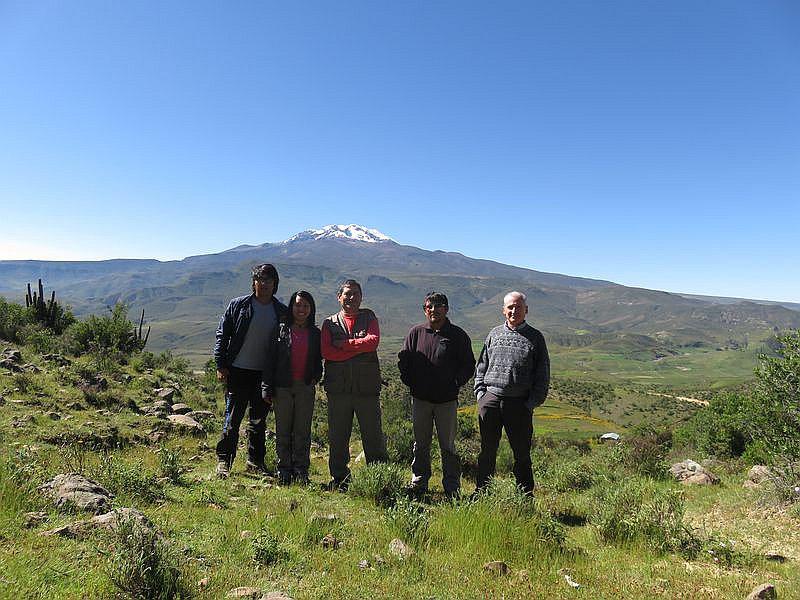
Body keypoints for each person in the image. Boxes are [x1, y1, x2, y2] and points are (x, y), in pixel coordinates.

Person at [213, 264, 288, 478]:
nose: (263, 284)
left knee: (258, 421)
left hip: (264, 375)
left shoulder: (281, 311)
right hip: (237, 371)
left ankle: (255, 462)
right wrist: (220, 364)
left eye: (268, 280)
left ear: (275, 284)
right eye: (260, 279)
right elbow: (222, 334)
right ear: (253, 282)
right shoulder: (238, 305)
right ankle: (224, 461)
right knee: (232, 419)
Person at [398, 292, 475, 498]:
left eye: (438, 305)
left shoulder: (457, 335)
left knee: (448, 446)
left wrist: (456, 383)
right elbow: (404, 360)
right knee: (421, 443)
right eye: (429, 306)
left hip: (446, 401)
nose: (434, 310)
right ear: (425, 310)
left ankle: (452, 487)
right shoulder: (416, 333)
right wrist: (411, 382)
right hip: (420, 400)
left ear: (446, 309)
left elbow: (468, 365)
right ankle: (419, 481)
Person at [473, 291, 549, 494]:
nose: (514, 311)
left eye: (518, 307)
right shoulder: (494, 334)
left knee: (521, 454)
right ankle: (482, 492)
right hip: (491, 400)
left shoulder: (535, 338)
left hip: (519, 404)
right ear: (503, 310)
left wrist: (531, 403)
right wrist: (481, 395)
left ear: (526, 310)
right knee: (487, 451)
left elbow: (542, 374)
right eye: (510, 307)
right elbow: (481, 366)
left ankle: (524, 496)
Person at [321, 279, 388, 490]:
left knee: (373, 436)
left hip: (366, 389)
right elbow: (327, 352)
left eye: (355, 294)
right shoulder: (329, 323)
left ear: (361, 297)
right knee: (338, 436)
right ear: (339, 297)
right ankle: (340, 479)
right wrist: (358, 348)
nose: (351, 298)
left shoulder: (369, 317)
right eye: (347, 294)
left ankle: (379, 481)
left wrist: (344, 345)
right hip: (338, 390)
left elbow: (373, 342)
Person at [271, 290, 322, 486]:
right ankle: (283, 470)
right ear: (291, 307)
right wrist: (267, 386)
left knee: (302, 431)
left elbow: (318, 359)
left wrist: (315, 377)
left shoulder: (315, 333)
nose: (301, 309)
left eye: (306, 306)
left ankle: (301, 470)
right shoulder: (281, 330)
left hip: (305, 387)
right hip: (282, 386)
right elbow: (270, 359)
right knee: (283, 430)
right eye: (298, 305)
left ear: (311, 309)